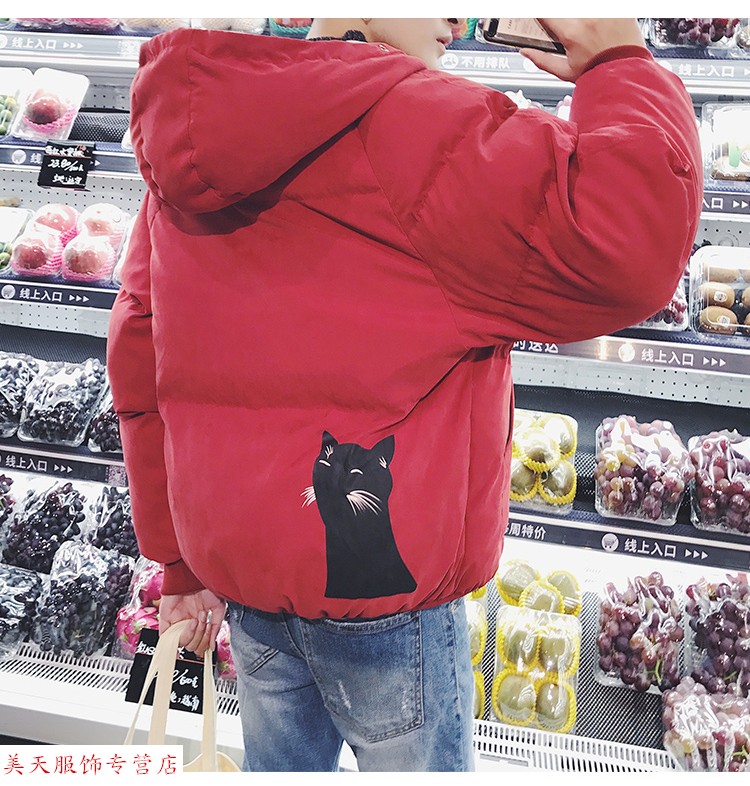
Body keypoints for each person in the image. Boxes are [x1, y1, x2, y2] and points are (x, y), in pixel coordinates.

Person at [107, 17, 702, 772]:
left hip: (246, 587)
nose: (457, 18)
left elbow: (139, 352)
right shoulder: (423, 124)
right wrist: (616, 61)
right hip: (386, 598)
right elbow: (625, 249)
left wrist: (178, 561)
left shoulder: (194, 117)